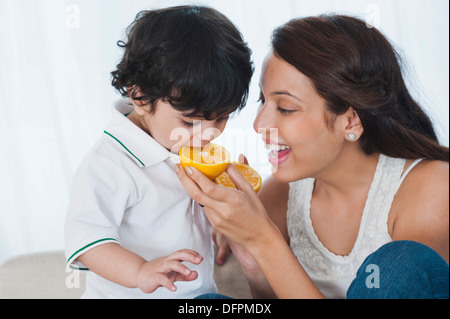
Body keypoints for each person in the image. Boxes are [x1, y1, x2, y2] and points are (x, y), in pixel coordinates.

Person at [177, 15, 449, 299]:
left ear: (351, 121)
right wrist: (252, 258)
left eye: (285, 108)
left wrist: (263, 238)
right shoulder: (279, 196)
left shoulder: (431, 188)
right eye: (263, 101)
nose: (259, 125)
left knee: (399, 263)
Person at [64, 5, 253, 298]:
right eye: (191, 121)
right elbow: (87, 242)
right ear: (139, 96)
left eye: (223, 117)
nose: (209, 134)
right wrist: (141, 270)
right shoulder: (108, 164)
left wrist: (224, 220)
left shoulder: (183, 146)